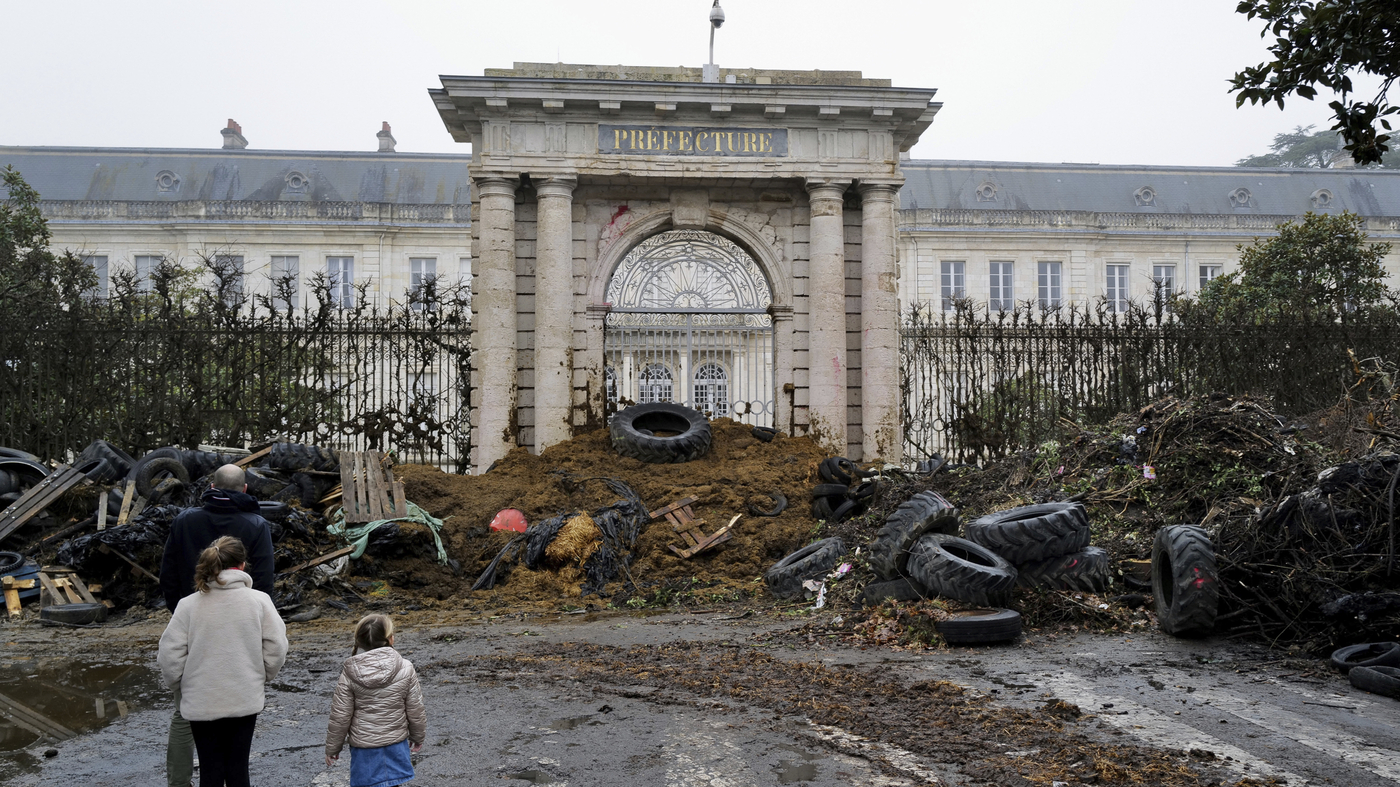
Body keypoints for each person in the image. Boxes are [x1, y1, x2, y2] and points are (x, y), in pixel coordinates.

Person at [159, 463, 276, 787]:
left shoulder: (185, 521)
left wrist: (184, 614)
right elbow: (265, 579)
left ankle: (178, 782)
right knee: (238, 762)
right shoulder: (256, 524)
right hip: (244, 630)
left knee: (184, 717)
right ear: (245, 489)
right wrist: (253, 615)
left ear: (211, 486)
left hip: (193, 627)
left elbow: (168, 574)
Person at [325, 614, 427, 787]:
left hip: (364, 749)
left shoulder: (350, 673)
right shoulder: (405, 667)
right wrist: (418, 736)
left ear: (359, 642)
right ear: (391, 638)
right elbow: (415, 708)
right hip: (395, 744)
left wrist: (333, 748)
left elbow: (340, 715)